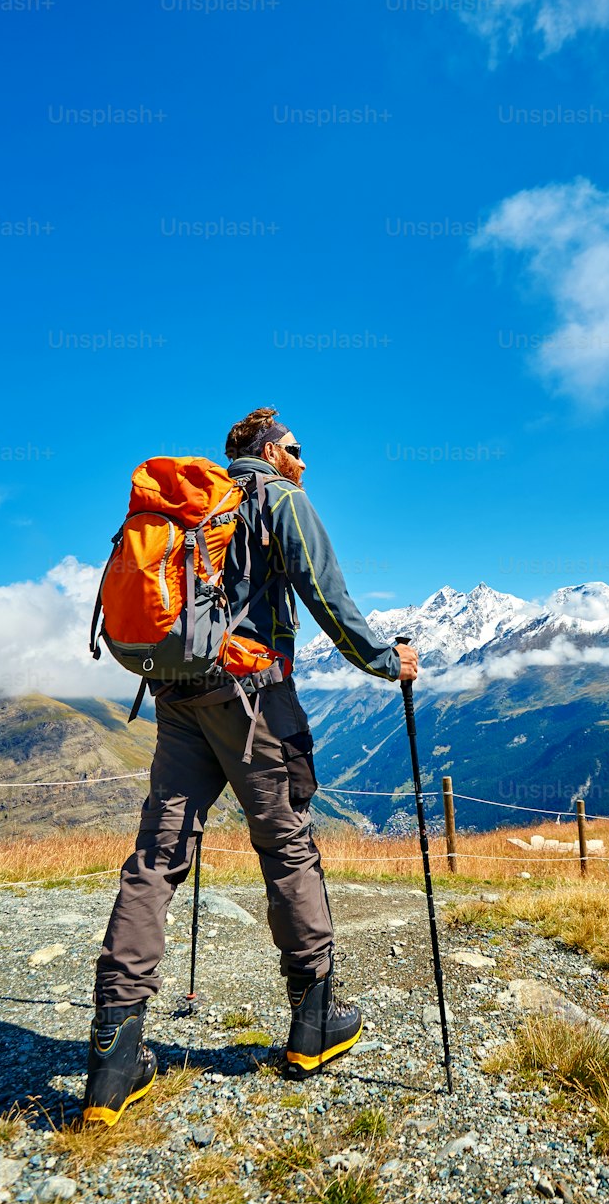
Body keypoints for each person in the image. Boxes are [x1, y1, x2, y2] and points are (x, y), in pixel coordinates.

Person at [83, 407, 419, 1124]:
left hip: (176, 698)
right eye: (298, 447)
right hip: (254, 699)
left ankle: (116, 1046)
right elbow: (327, 596)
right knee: (287, 846)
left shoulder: (193, 513)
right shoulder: (278, 499)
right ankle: (313, 1021)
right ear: (270, 450)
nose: (305, 459)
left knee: (156, 855)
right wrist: (388, 661)